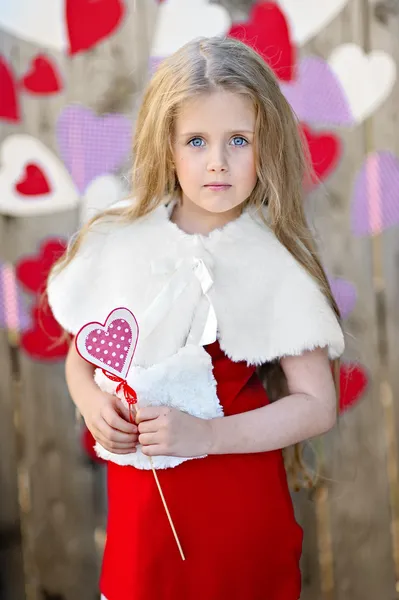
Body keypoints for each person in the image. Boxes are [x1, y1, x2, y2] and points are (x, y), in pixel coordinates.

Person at [47, 36, 344, 600]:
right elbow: (81, 358)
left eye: (239, 140)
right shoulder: (121, 240)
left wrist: (207, 435)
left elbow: (317, 405)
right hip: (144, 526)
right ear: (168, 146)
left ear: (266, 144)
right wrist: (90, 403)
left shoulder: (274, 262)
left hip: (239, 520)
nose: (218, 162)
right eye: (197, 141)